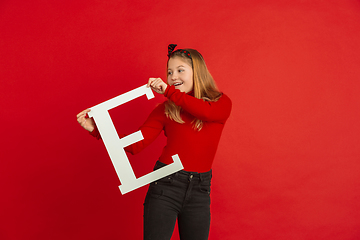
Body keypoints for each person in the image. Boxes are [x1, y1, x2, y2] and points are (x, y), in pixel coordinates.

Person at [76, 44, 232, 240]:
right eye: (169, 72)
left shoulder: (220, 103)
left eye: (180, 70)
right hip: (166, 186)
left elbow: (206, 113)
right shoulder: (165, 110)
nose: (173, 76)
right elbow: (135, 146)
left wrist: (169, 92)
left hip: (200, 190)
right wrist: (96, 130)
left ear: (198, 72)